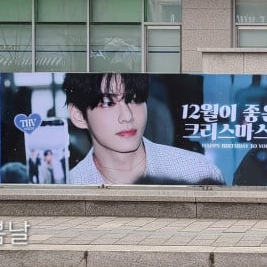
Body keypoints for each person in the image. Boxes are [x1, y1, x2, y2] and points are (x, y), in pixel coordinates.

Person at [63, 72, 225, 185]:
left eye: (134, 99)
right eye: (108, 103)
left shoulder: (196, 171)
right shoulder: (71, 185)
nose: (127, 116)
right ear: (78, 116)